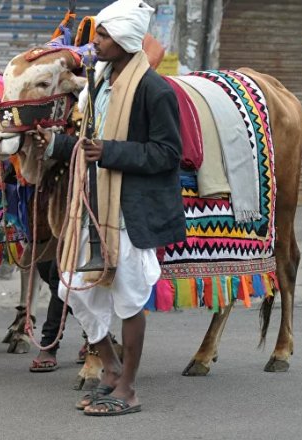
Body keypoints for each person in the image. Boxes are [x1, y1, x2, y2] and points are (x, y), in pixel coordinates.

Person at [36, 0, 184, 415]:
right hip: (92, 202)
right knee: (70, 284)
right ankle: (113, 366)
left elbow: (168, 153)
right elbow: (91, 142)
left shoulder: (155, 89)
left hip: (130, 212)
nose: (94, 42)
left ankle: (129, 390)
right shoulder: (100, 80)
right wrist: (55, 145)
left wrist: (111, 152)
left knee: (128, 297)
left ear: (124, 40)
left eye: (102, 36)